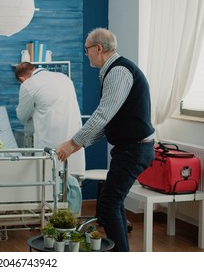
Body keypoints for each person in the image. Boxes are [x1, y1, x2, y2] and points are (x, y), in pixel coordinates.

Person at [56, 27, 155, 252]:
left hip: (134, 149)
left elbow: (102, 114)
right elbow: (109, 120)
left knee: (109, 205)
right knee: (113, 202)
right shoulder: (115, 70)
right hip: (130, 149)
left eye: (87, 49)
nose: (86, 54)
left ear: (98, 48)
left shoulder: (118, 71)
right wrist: (79, 143)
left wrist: (73, 143)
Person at [15, 62, 85, 177]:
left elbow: (22, 116)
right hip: (74, 141)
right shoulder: (64, 78)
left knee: (49, 183)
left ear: (22, 78)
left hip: (51, 142)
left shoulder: (28, 84)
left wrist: (32, 112)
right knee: (73, 184)